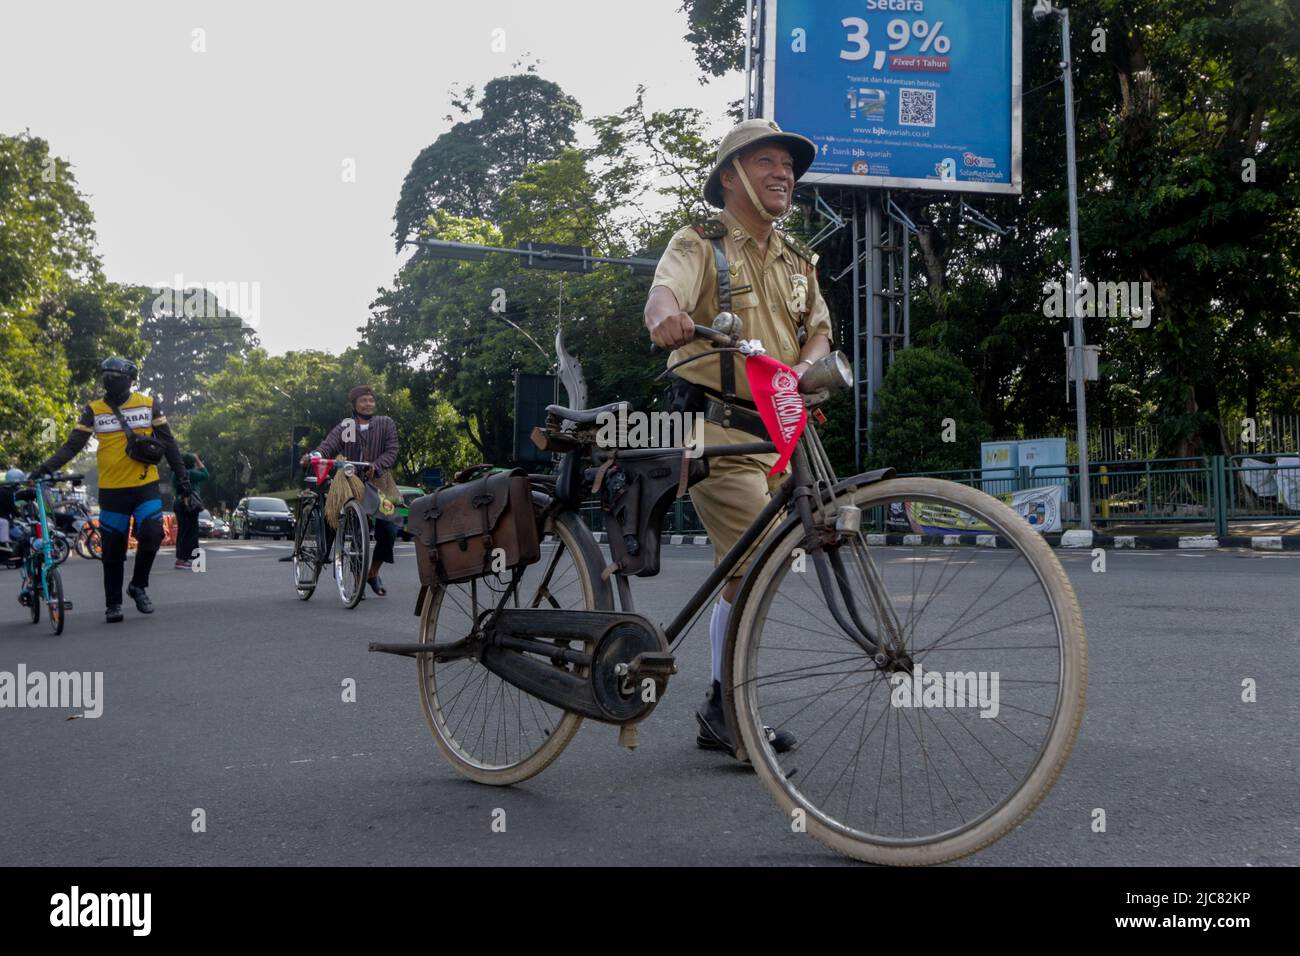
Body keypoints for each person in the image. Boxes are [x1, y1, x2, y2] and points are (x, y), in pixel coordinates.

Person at [644, 119, 834, 756]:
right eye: (767, 163)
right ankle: (729, 708)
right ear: (729, 177)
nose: (784, 174)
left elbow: (818, 331)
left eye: (788, 165)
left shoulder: (798, 261)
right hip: (717, 431)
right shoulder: (701, 241)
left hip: (782, 434)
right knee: (756, 565)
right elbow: (663, 291)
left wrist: (806, 370)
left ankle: (720, 704)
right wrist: (667, 319)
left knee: (748, 571)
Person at [35, 357, 191, 623]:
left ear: (130, 380)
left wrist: (184, 480)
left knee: (153, 533)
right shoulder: (93, 409)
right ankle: (113, 604)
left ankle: (138, 586)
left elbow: (169, 442)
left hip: (145, 485)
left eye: (116, 376)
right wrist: (44, 469)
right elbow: (73, 446)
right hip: (112, 490)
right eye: (107, 375)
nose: (110, 380)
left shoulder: (148, 403)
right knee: (113, 550)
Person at [302, 385, 400, 596]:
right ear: (354, 405)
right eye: (363, 400)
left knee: (390, 529)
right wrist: (316, 454)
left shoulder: (385, 423)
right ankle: (357, 580)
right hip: (349, 481)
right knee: (355, 529)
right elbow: (328, 446)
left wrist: (377, 465)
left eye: (371, 400)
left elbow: (392, 451)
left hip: (379, 483)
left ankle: (373, 572)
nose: (368, 404)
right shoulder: (347, 426)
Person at [173, 451, 209, 569]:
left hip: (178, 503)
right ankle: (183, 560)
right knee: (190, 532)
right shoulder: (191, 473)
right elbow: (205, 474)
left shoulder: (176, 473)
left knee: (183, 531)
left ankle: (184, 558)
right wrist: (198, 460)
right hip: (189, 504)